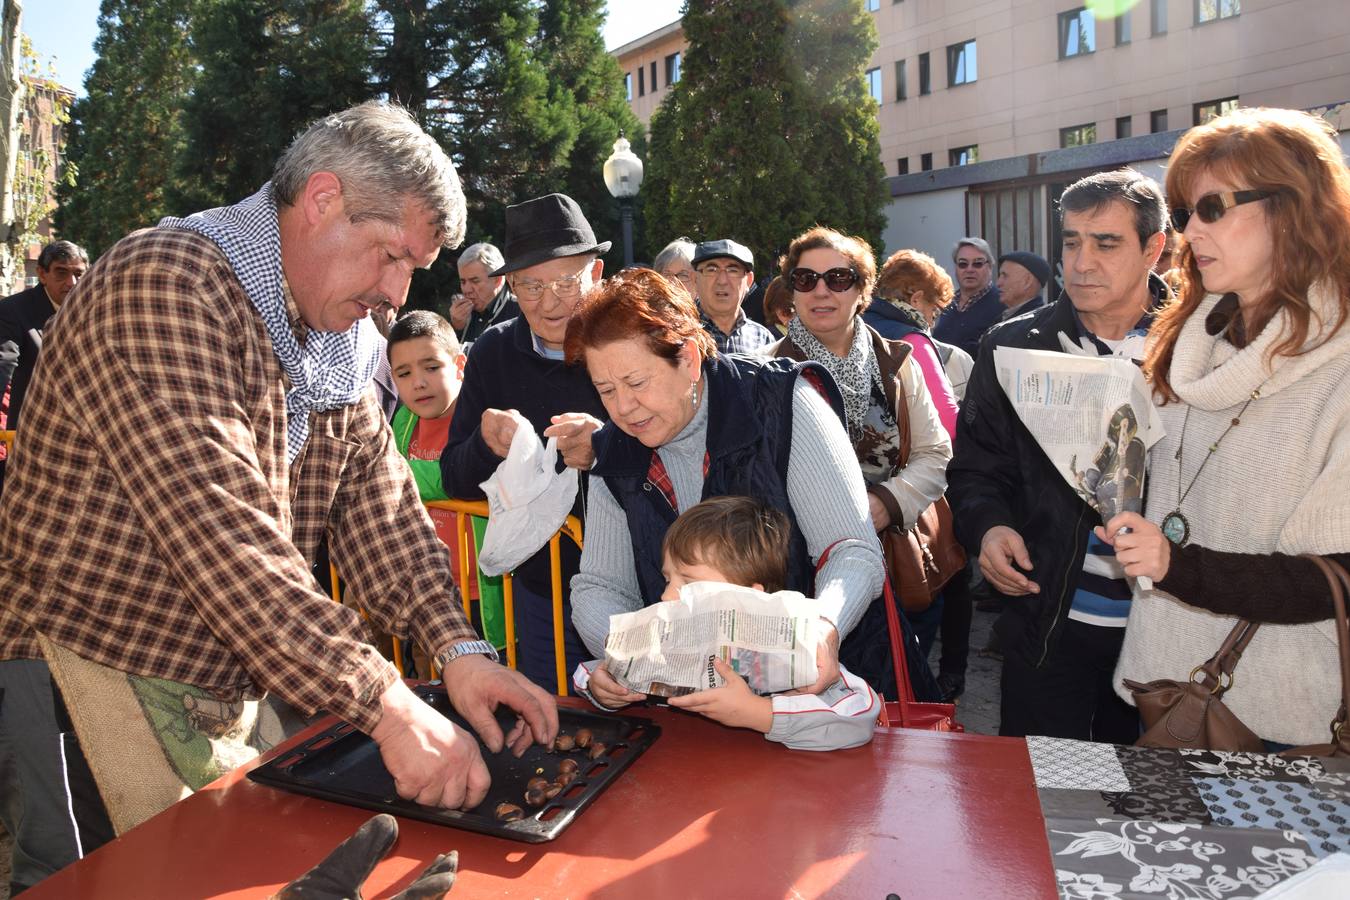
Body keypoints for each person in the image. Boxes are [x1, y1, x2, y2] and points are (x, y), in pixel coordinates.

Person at [0, 102, 557, 892]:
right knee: (96, 886)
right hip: (83, 665)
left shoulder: (339, 334)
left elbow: (383, 510)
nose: (397, 296)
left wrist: (458, 651)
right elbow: (225, 539)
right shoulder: (165, 283)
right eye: (391, 257)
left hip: (219, 673)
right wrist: (388, 705)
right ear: (323, 199)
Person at [1101, 107, 1350, 748]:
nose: (1189, 231)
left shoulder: (1341, 367)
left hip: (1282, 716)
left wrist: (1178, 565)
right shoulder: (1192, 338)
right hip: (1165, 690)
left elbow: (1340, 575)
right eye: (1183, 212)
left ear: (1291, 209)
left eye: (1212, 207)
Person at [564, 268, 891, 703]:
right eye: (605, 390)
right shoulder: (616, 449)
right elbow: (601, 586)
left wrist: (823, 628)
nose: (623, 408)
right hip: (694, 712)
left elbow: (852, 549)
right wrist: (617, 653)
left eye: (637, 383)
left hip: (833, 695)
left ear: (689, 358)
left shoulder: (782, 402)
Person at [947, 168, 1171, 743]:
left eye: (1106, 243)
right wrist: (990, 530)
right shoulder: (1011, 345)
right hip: (1048, 627)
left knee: (1154, 819)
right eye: (1071, 242)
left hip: (1170, 640)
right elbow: (976, 470)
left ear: (1154, 248)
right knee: (1040, 809)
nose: (1082, 261)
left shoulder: (1203, 347)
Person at [767, 228, 952, 685]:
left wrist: (885, 504)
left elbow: (935, 454)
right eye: (805, 279)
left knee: (898, 699)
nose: (821, 291)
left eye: (838, 278)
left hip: (898, 565)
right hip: (804, 575)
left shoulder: (897, 363)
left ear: (863, 290)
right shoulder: (765, 371)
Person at [440, 193, 608, 694]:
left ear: (595, 274)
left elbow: (681, 443)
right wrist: (486, 444)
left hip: (641, 581)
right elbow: (453, 476)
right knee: (556, 722)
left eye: (565, 281)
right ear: (509, 284)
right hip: (544, 590)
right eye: (531, 285)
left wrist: (608, 446)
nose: (549, 301)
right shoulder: (493, 351)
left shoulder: (628, 339)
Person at [573, 496, 880, 751]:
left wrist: (760, 714)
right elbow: (595, 669)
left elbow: (858, 717)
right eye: (668, 579)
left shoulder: (796, 652)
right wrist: (600, 689)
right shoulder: (671, 645)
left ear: (748, 597)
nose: (666, 595)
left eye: (689, 583)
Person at [0, 240, 89, 433]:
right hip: (32, 432)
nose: (71, 283)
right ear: (42, 274)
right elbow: (3, 364)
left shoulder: (93, 311)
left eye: (78, 274)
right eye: (61, 273)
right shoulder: (13, 311)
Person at [864, 249, 973, 403]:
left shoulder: (854, 325)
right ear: (916, 300)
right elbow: (944, 414)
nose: (932, 322)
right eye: (934, 311)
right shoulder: (914, 341)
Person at [691, 239, 776, 354]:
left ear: (749, 281)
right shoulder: (677, 334)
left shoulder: (762, 339)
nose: (722, 281)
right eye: (711, 270)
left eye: (733, 270)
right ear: (695, 279)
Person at [932, 237, 1003, 360]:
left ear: (990, 267)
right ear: (956, 268)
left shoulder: (1002, 303)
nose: (970, 269)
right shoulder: (944, 302)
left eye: (978, 263)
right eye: (963, 264)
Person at [450, 242, 518, 343]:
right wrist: (455, 328)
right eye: (463, 281)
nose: (467, 289)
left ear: (497, 280)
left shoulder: (521, 313)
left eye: (475, 281)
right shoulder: (460, 315)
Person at [996, 251, 1051, 320]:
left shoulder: (1038, 323)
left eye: (1005, 276)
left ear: (1027, 281)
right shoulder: (1002, 317)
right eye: (1000, 276)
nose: (998, 283)